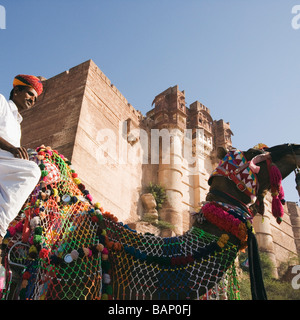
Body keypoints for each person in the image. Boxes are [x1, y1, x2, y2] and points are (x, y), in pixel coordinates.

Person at [0, 74, 43, 251]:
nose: (32, 100)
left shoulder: (17, 124)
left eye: (35, 98)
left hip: (5, 167)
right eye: (30, 94)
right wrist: (12, 149)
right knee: (32, 171)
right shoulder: (1, 102)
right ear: (17, 90)